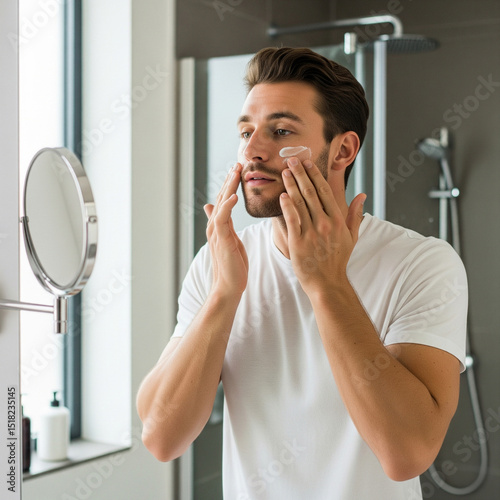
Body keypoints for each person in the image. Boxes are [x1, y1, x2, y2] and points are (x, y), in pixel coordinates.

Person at [137, 47, 467, 499]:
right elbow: (160, 437)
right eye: (246, 131)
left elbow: (407, 453)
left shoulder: (421, 263)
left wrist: (327, 283)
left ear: (343, 150)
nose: (251, 151)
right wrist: (224, 295)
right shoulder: (220, 262)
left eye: (280, 130)